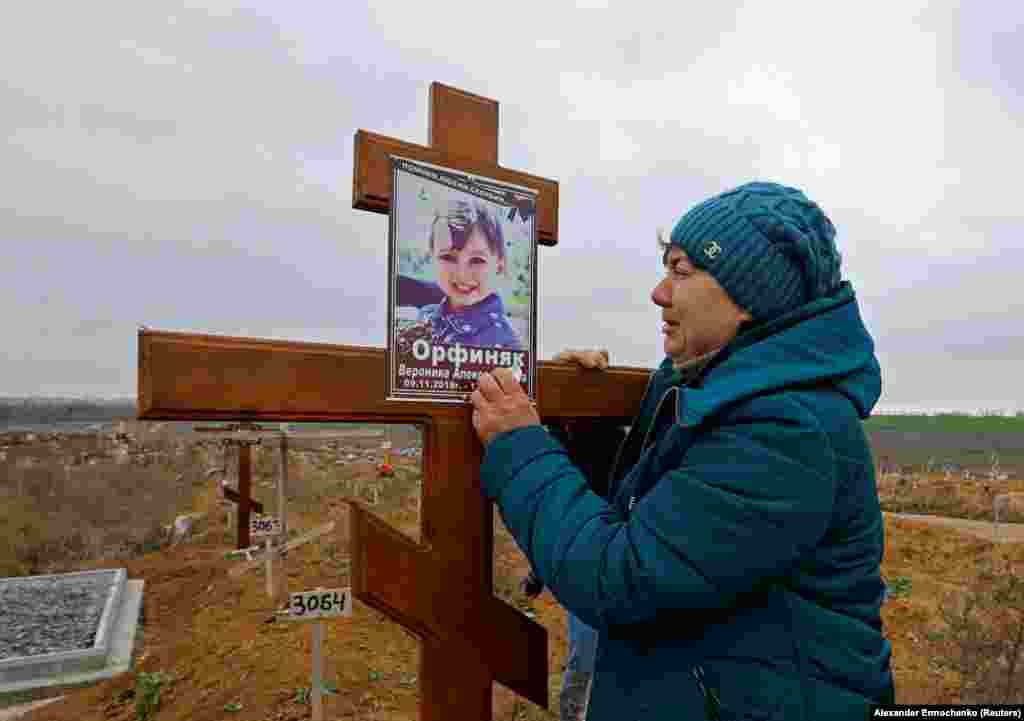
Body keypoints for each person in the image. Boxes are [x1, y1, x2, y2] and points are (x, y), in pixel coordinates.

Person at [470, 181, 895, 720]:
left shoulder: (785, 430)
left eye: (681, 270)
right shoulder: (721, 392)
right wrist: (584, 425)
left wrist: (520, 447)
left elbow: (620, 576)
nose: (659, 292)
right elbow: (661, 519)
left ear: (749, 297)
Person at [414, 197, 523, 349]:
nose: (462, 274)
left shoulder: (507, 342)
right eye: (448, 257)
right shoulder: (425, 317)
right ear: (432, 257)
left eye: (477, 260)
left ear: (499, 265)